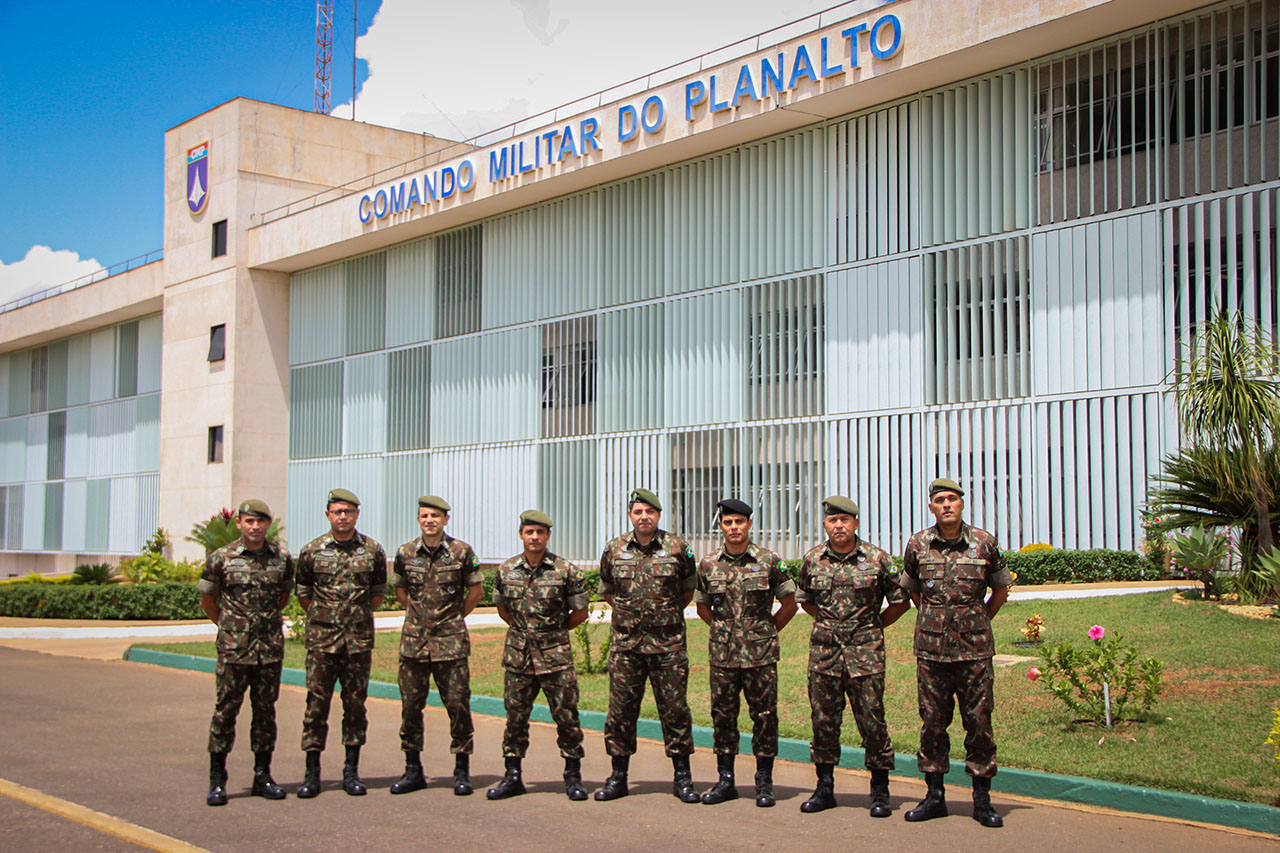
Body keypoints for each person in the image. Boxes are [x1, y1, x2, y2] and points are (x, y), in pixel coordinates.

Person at [900, 478, 1012, 828]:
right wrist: (936, 621)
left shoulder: (985, 543)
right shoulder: (918, 544)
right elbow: (913, 592)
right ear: (931, 507)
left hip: (975, 652)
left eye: (952, 499)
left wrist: (976, 621)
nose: (946, 505)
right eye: (939, 500)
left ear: (962, 504)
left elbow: (1000, 590)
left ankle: (982, 800)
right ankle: (934, 797)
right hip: (932, 653)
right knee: (933, 725)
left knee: (979, 724)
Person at [795, 496, 911, 816]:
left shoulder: (877, 559)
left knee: (872, 722)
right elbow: (804, 599)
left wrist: (872, 627)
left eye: (845, 520)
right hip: (825, 655)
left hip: (866, 655)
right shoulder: (813, 559)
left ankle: (880, 791)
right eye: (833, 520)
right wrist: (830, 626)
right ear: (825, 524)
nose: (839, 526)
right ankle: (824, 788)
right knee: (824, 722)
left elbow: (900, 602)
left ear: (856, 523)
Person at [595, 488, 700, 803]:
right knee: (621, 711)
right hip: (626, 646)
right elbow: (608, 590)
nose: (644, 517)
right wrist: (632, 617)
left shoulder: (678, 548)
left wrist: (661, 617)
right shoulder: (613, 549)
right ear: (631, 515)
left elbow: (686, 591)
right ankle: (618, 776)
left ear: (658, 515)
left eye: (650, 512)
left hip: (668, 645)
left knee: (675, 710)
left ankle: (682, 778)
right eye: (638, 512)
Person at [693, 499, 797, 807]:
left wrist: (765, 632)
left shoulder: (768, 561)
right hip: (723, 657)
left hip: (761, 656)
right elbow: (702, 606)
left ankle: (763, 782)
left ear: (750, 524)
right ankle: (726, 781)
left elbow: (790, 603)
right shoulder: (709, 563)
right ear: (721, 526)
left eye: (740, 522)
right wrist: (726, 632)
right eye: (728, 523)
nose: (734, 527)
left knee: (764, 717)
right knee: (723, 717)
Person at [486, 510, 591, 801]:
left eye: (540, 532)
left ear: (548, 535)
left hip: (555, 657)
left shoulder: (565, 570)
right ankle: (513, 776)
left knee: (566, 717)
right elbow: (503, 609)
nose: (534, 537)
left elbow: (580, 612)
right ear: (521, 534)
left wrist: (552, 634)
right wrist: (526, 634)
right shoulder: (507, 570)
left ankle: (573, 776)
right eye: (529, 532)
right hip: (519, 657)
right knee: (515, 718)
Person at [293, 488, 388, 798]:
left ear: (357, 514)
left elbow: (376, 594)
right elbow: (303, 594)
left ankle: (351, 771)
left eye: (348, 511)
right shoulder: (312, 551)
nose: (343, 517)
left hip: (357, 642)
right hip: (322, 642)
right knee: (316, 706)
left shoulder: (372, 550)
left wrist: (353, 618)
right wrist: (328, 618)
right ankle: (312, 772)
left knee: (355, 705)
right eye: (337, 512)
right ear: (328, 515)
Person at [198, 499, 293, 806]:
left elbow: (283, 596)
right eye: (249, 521)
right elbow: (208, 601)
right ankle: (217, 779)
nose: (255, 527)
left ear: (268, 524)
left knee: (265, 714)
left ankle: (262, 776)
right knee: (225, 712)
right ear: (239, 523)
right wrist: (230, 627)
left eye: (261, 522)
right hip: (234, 652)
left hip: (268, 651)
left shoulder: (281, 558)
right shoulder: (221, 558)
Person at [388, 495, 484, 796]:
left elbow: (475, 591)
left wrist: (452, 618)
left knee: (457, 706)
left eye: (436, 516)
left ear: (446, 520)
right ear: (418, 520)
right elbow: (402, 592)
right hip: (414, 645)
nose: (430, 520)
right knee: (411, 708)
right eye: (424, 516)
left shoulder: (461, 551)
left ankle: (461, 770)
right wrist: (420, 619)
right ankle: (412, 769)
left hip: (450, 643)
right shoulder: (405, 552)